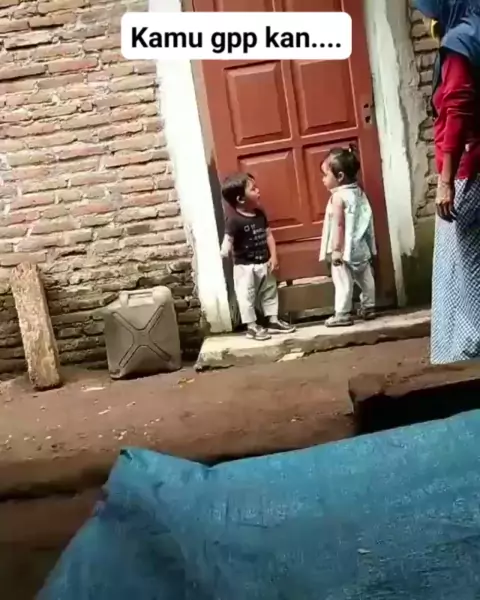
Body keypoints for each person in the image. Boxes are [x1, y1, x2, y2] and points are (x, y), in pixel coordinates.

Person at [413, 0, 480, 364]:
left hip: (470, 171)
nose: (428, 19)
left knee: (465, 272)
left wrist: (445, 181)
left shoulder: (460, 43)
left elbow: (457, 109)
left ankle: (467, 357)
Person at [220, 172, 296, 341]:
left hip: (264, 263)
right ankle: (252, 326)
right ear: (240, 199)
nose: (258, 191)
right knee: (246, 296)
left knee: (270, 291)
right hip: (244, 268)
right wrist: (224, 250)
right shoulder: (233, 220)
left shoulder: (259, 215)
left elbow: (268, 235)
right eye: (253, 189)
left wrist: (274, 256)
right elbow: (228, 239)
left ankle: (272, 320)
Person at [319, 147, 377, 328]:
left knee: (342, 280)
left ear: (340, 176)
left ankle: (342, 313)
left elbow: (339, 225)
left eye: (325, 175)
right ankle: (369, 306)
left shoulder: (338, 198)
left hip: (344, 249)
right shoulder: (359, 193)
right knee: (366, 277)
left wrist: (336, 250)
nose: (323, 179)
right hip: (360, 246)